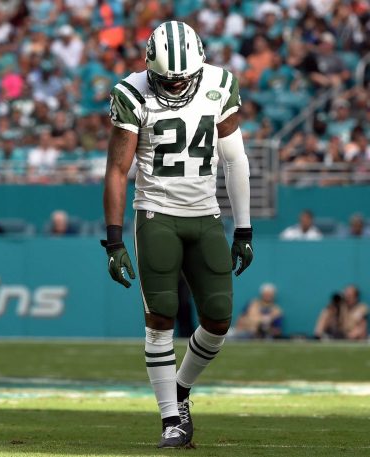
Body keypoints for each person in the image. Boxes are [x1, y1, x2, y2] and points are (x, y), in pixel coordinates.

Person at [101, 21, 252, 448]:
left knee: (219, 318)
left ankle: (180, 390)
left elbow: (235, 160)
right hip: (156, 214)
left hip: (206, 215)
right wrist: (113, 240)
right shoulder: (132, 92)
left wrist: (243, 227)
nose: (176, 85)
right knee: (161, 316)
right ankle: (171, 419)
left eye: (183, 77)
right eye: (167, 78)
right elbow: (117, 169)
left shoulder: (220, 83)